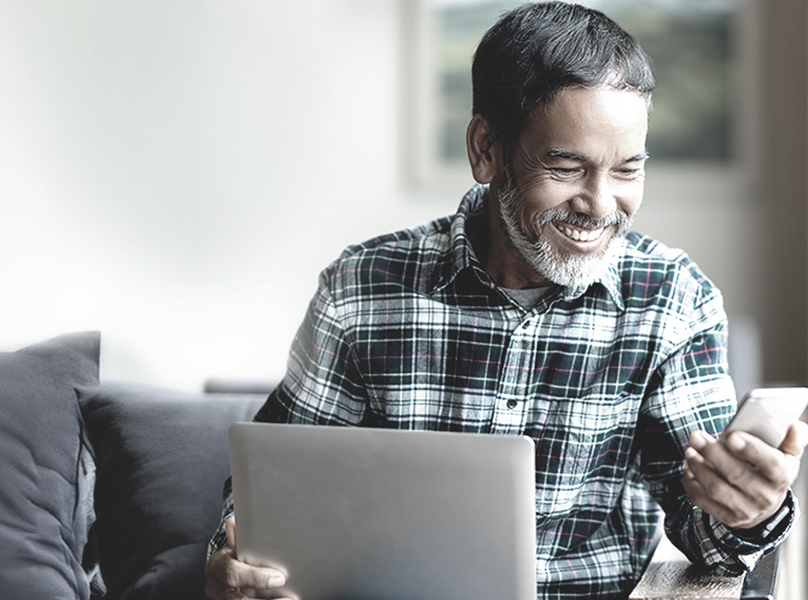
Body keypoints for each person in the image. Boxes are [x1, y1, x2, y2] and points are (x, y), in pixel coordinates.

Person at [204, 2, 808, 599]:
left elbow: (707, 537)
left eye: (627, 170)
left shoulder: (673, 299)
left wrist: (749, 510)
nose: (600, 205)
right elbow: (276, 493)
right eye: (567, 167)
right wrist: (237, 557)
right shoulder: (360, 290)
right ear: (486, 149)